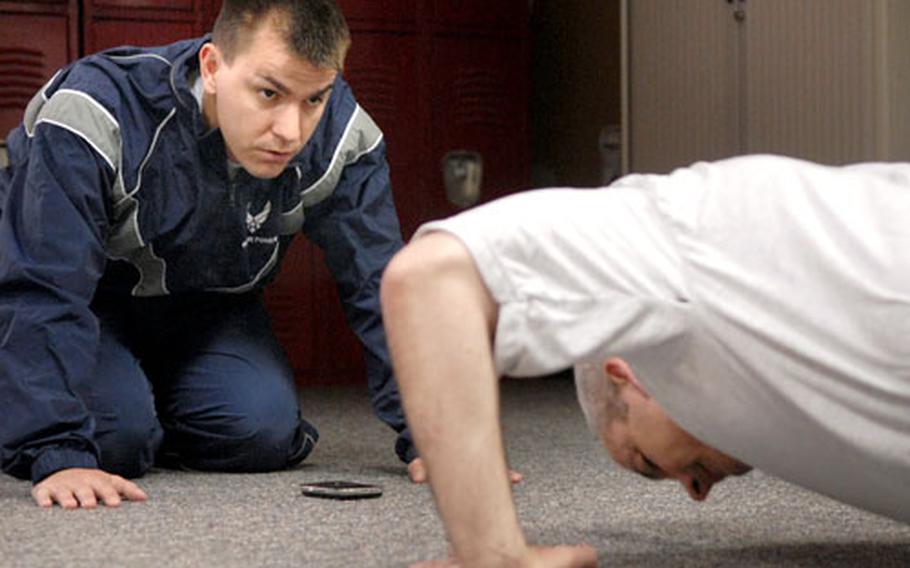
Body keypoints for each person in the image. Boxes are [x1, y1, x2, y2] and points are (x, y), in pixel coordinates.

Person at [380, 154, 910, 567]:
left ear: (630, 377)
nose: (697, 492)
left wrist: (496, 559)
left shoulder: (697, 237)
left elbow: (431, 277)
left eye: (649, 465)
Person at [0, 0, 423, 509]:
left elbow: (380, 283)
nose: (291, 131)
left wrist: (433, 435)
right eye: (269, 93)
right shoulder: (96, 109)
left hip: (209, 309)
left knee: (261, 431)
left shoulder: (343, 135)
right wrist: (55, 446)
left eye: (314, 99)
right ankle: (69, 403)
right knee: (109, 440)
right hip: (90, 301)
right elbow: (44, 280)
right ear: (213, 66)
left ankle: (132, 400)